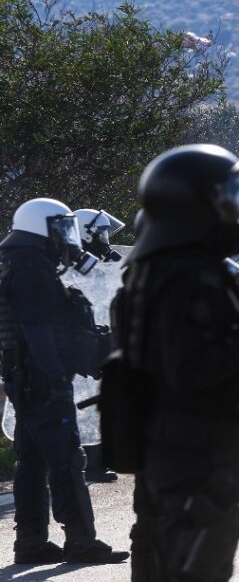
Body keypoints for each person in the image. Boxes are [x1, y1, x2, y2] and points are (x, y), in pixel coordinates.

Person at [113, 144, 239, 581]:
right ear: (197, 204)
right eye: (229, 198)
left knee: (169, 559)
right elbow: (192, 368)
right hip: (193, 452)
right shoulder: (187, 275)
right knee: (193, 565)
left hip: (182, 446)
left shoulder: (166, 268)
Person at [0, 198, 128, 564]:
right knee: (67, 459)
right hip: (40, 379)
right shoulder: (32, 272)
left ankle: (30, 543)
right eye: (61, 228)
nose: (66, 237)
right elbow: (38, 332)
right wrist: (56, 378)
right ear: (42, 228)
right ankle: (81, 542)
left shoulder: (22, 265)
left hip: (26, 378)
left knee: (33, 461)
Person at [75, 208, 127, 484]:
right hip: (83, 345)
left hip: (102, 340)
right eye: (101, 233)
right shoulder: (74, 263)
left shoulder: (98, 262)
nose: (105, 239)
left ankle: (101, 459)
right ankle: (92, 464)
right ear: (85, 233)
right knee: (85, 404)